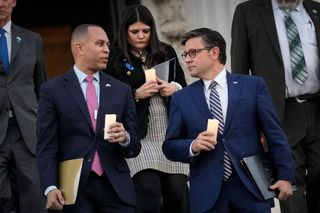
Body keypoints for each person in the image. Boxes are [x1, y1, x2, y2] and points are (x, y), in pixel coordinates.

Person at [162, 28, 295, 213]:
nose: (187, 59)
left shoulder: (252, 86)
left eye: (193, 52)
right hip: (208, 195)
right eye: (185, 54)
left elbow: (275, 134)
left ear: (214, 52)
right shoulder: (181, 98)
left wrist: (285, 176)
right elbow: (169, 146)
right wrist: (193, 145)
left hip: (252, 189)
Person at [36, 24, 141, 213]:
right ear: (80, 47)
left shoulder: (121, 90)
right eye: (100, 43)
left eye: (108, 44)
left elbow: (134, 147)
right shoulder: (52, 91)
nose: (107, 50)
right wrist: (50, 187)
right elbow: (46, 145)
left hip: (116, 189)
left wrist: (125, 138)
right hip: (74, 191)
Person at [231, 0, 320, 212]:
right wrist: (251, 121)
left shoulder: (316, 9)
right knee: (289, 182)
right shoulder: (247, 12)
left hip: (317, 107)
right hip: (278, 112)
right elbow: (240, 72)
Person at [104, 4, 189, 213]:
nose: (141, 36)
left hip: (169, 133)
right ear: (125, 32)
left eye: (146, 31)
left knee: (178, 193)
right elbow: (109, 99)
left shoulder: (165, 51)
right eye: (135, 32)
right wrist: (135, 94)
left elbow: (183, 87)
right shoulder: (115, 57)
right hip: (139, 136)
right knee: (148, 191)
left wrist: (173, 88)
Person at [0, 0, 47, 212]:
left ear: (14, 2)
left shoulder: (32, 39)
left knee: (34, 196)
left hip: (27, 129)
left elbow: (41, 87)